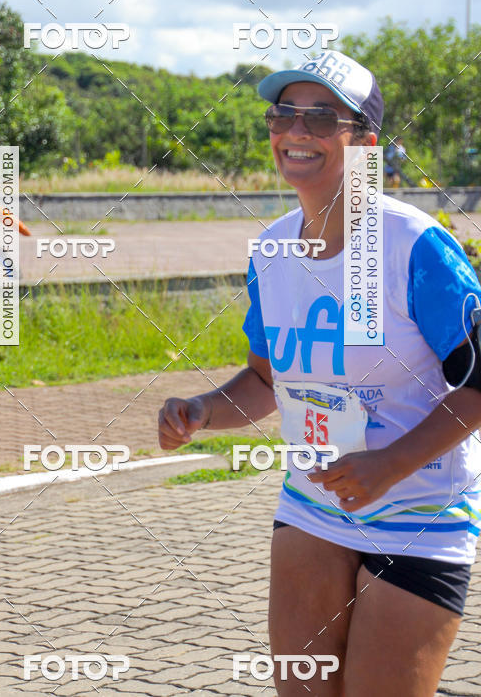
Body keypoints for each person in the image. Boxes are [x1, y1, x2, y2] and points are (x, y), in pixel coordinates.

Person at [158, 49, 481, 696]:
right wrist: (201, 412)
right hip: (311, 507)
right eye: (284, 114)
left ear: (365, 141)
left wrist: (389, 464)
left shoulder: (413, 245)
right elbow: (263, 382)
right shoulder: (271, 249)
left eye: (322, 117)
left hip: (420, 516)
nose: (296, 130)